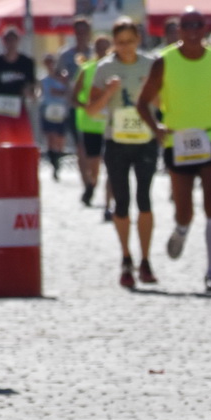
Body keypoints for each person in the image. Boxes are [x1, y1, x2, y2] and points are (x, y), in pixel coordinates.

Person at [135, 7, 211, 294]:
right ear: (179, 30)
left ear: (205, 28)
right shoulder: (164, 61)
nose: (193, 30)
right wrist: (157, 129)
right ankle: (181, 230)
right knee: (184, 210)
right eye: (187, 25)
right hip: (178, 142)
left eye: (199, 24)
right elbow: (142, 102)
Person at [86, 17, 160, 288]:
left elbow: (163, 101)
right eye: (120, 42)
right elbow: (91, 109)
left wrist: (150, 94)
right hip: (116, 141)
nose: (125, 47)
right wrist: (108, 92)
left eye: (130, 41)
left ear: (138, 40)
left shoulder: (150, 64)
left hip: (145, 140)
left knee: (145, 199)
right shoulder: (105, 68)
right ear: (113, 42)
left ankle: (146, 259)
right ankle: (126, 258)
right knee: (122, 202)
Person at [70, 38, 111, 210]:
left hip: (110, 123)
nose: (102, 52)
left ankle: (109, 197)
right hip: (90, 123)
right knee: (93, 160)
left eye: (105, 48)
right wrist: (86, 106)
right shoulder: (86, 69)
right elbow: (73, 98)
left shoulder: (114, 67)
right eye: (99, 48)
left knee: (110, 160)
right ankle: (91, 185)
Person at [0, 29, 38, 147]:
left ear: (18, 41)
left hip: (19, 105)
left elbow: (33, 83)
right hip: (1, 105)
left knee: (23, 139)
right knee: (2, 139)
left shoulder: (26, 62)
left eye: (13, 40)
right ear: (3, 42)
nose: (11, 43)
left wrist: (30, 93)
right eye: (8, 40)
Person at [39, 53, 72, 181]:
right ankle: (54, 166)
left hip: (61, 111)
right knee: (50, 138)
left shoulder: (63, 78)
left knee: (60, 140)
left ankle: (58, 161)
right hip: (48, 110)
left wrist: (60, 89)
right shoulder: (43, 79)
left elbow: (68, 92)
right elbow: (42, 93)